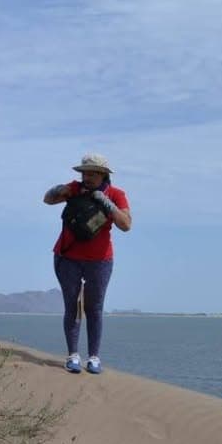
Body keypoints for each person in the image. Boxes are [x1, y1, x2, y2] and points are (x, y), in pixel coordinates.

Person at [43, 153, 132, 374]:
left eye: (92, 173)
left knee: (94, 308)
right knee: (72, 307)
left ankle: (94, 357)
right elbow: (47, 199)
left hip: (100, 260)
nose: (87, 177)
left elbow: (126, 224)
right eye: (84, 172)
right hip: (67, 257)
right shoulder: (73, 188)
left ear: (103, 174)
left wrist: (106, 203)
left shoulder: (116, 194)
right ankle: (72, 355)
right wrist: (59, 190)